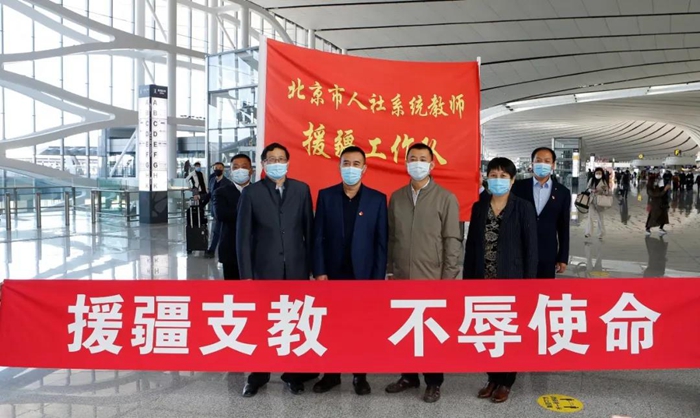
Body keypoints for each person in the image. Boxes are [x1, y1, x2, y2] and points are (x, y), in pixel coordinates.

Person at [236, 143, 317, 397]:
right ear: (263, 164)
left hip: (296, 269)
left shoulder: (302, 190)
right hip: (264, 270)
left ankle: (292, 374)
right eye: (271, 159)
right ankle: (258, 375)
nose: (277, 163)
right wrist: (246, 275)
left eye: (281, 159)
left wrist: (313, 268)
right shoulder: (252, 193)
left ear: (288, 163)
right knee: (262, 323)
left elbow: (310, 232)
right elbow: (243, 237)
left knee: (294, 321)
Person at [384, 143, 462, 404]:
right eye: (412, 158)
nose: (417, 163)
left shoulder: (446, 198)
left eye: (422, 159)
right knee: (406, 328)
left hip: (433, 278)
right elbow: (392, 237)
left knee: (430, 332)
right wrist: (390, 271)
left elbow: (452, 240)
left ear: (432, 164)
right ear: (406, 163)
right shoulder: (397, 197)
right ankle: (408, 376)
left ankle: (433, 381)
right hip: (402, 277)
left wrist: (448, 278)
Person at [311, 146, 388, 396]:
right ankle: (331, 374)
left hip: (362, 275)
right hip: (332, 274)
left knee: (360, 327)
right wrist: (319, 270)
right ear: (339, 166)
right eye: (346, 163)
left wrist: (376, 279)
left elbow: (381, 243)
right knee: (330, 325)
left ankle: (359, 375)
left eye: (356, 164)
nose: (351, 168)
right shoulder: (326, 196)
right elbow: (318, 237)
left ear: (364, 169)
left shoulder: (377, 199)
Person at [463, 157, 538, 404]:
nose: (498, 180)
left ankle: (506, 381)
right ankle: (492, 378)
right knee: (488, 329)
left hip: (512, 281)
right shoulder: (479, 207)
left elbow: (531, 249)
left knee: (508, 330)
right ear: (487, 178)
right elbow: (472, 246)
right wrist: (467, 282)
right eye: (493, 175)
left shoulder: (523, 207)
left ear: (512, 180)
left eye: (503, 176)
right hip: (483, 280)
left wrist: (529, 285)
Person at [511, 147, 570, 278]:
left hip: (547, 252)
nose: (542, 164)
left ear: (553, 165)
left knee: (544, 289)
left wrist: (563, 257)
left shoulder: (562, 192)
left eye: (547, 161)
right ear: (532, 163)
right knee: (518, 288)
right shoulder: (518, 188)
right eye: (538, 160)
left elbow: (563, 227)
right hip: (519, 251)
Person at [211, 154, 252, 280]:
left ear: (251, 170)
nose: (240, 170)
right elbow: (221, 215)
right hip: (230, 249)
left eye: (244, 167)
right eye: (236, 167)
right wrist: (251, 213)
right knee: (233, 289)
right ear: (230, 171)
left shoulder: (259, 191)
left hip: (256, 250)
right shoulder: (221, 192)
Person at [202, 162, 232, 259]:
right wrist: (202, 204)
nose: (217, 169)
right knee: (218, 231)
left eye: (219, 168)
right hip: (214, 210)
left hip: (222, 210)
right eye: (215, 168)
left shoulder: (227, 183)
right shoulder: (212, 181)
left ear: (223, 170)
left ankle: (212, 250)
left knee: (216, 231)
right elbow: (210, 194)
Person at [584, 167, 611, 240]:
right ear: (594, 173)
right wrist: (591, 190)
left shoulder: (604, 181)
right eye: (597, 173)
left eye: (600, 173)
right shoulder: (591, 180)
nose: (598, 174)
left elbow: (607, 192)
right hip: (592, 200)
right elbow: (587, 188)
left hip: (600, 201)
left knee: (600, 218)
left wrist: (605, 190)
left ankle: (601, 233)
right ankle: (588, 232)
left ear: (602, 174)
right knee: (590, 217)